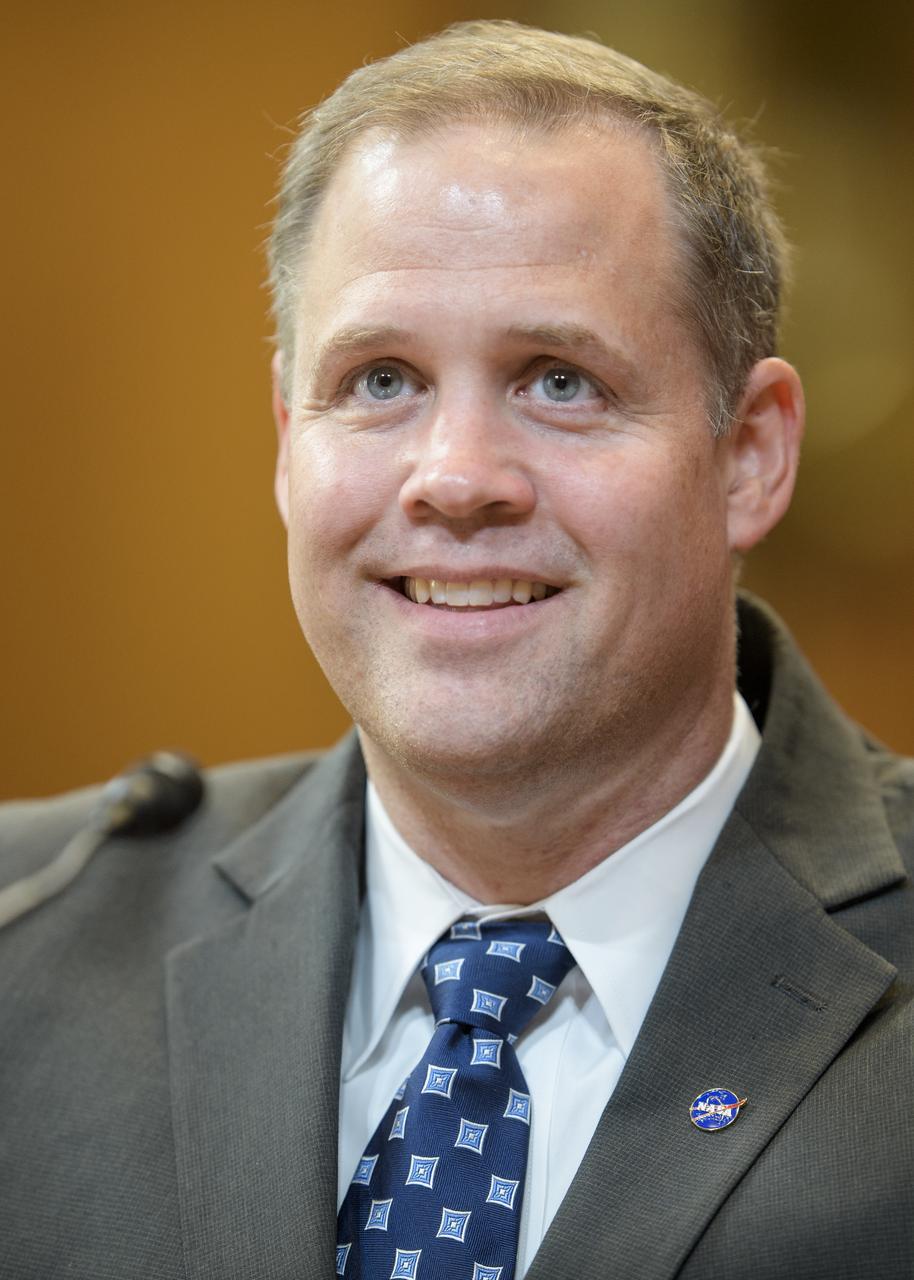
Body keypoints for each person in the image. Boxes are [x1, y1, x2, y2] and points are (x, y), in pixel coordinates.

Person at [1, 19, 911, 1280]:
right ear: (285, 434)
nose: (455, 478)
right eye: (379, 381)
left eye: (558, 380)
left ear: (748, 453)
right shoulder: (23, 939)